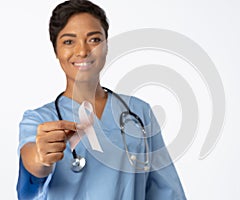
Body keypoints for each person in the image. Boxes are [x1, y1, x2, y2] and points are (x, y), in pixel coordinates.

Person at [17, 0, 186, 199]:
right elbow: (33, 164)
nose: (82, 51)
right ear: (56, 51)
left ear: (106, 45)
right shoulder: (39, 119)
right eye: (69, 41)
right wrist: (42, 157)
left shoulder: (139, 113)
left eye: (94, 39)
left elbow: (167, 191)